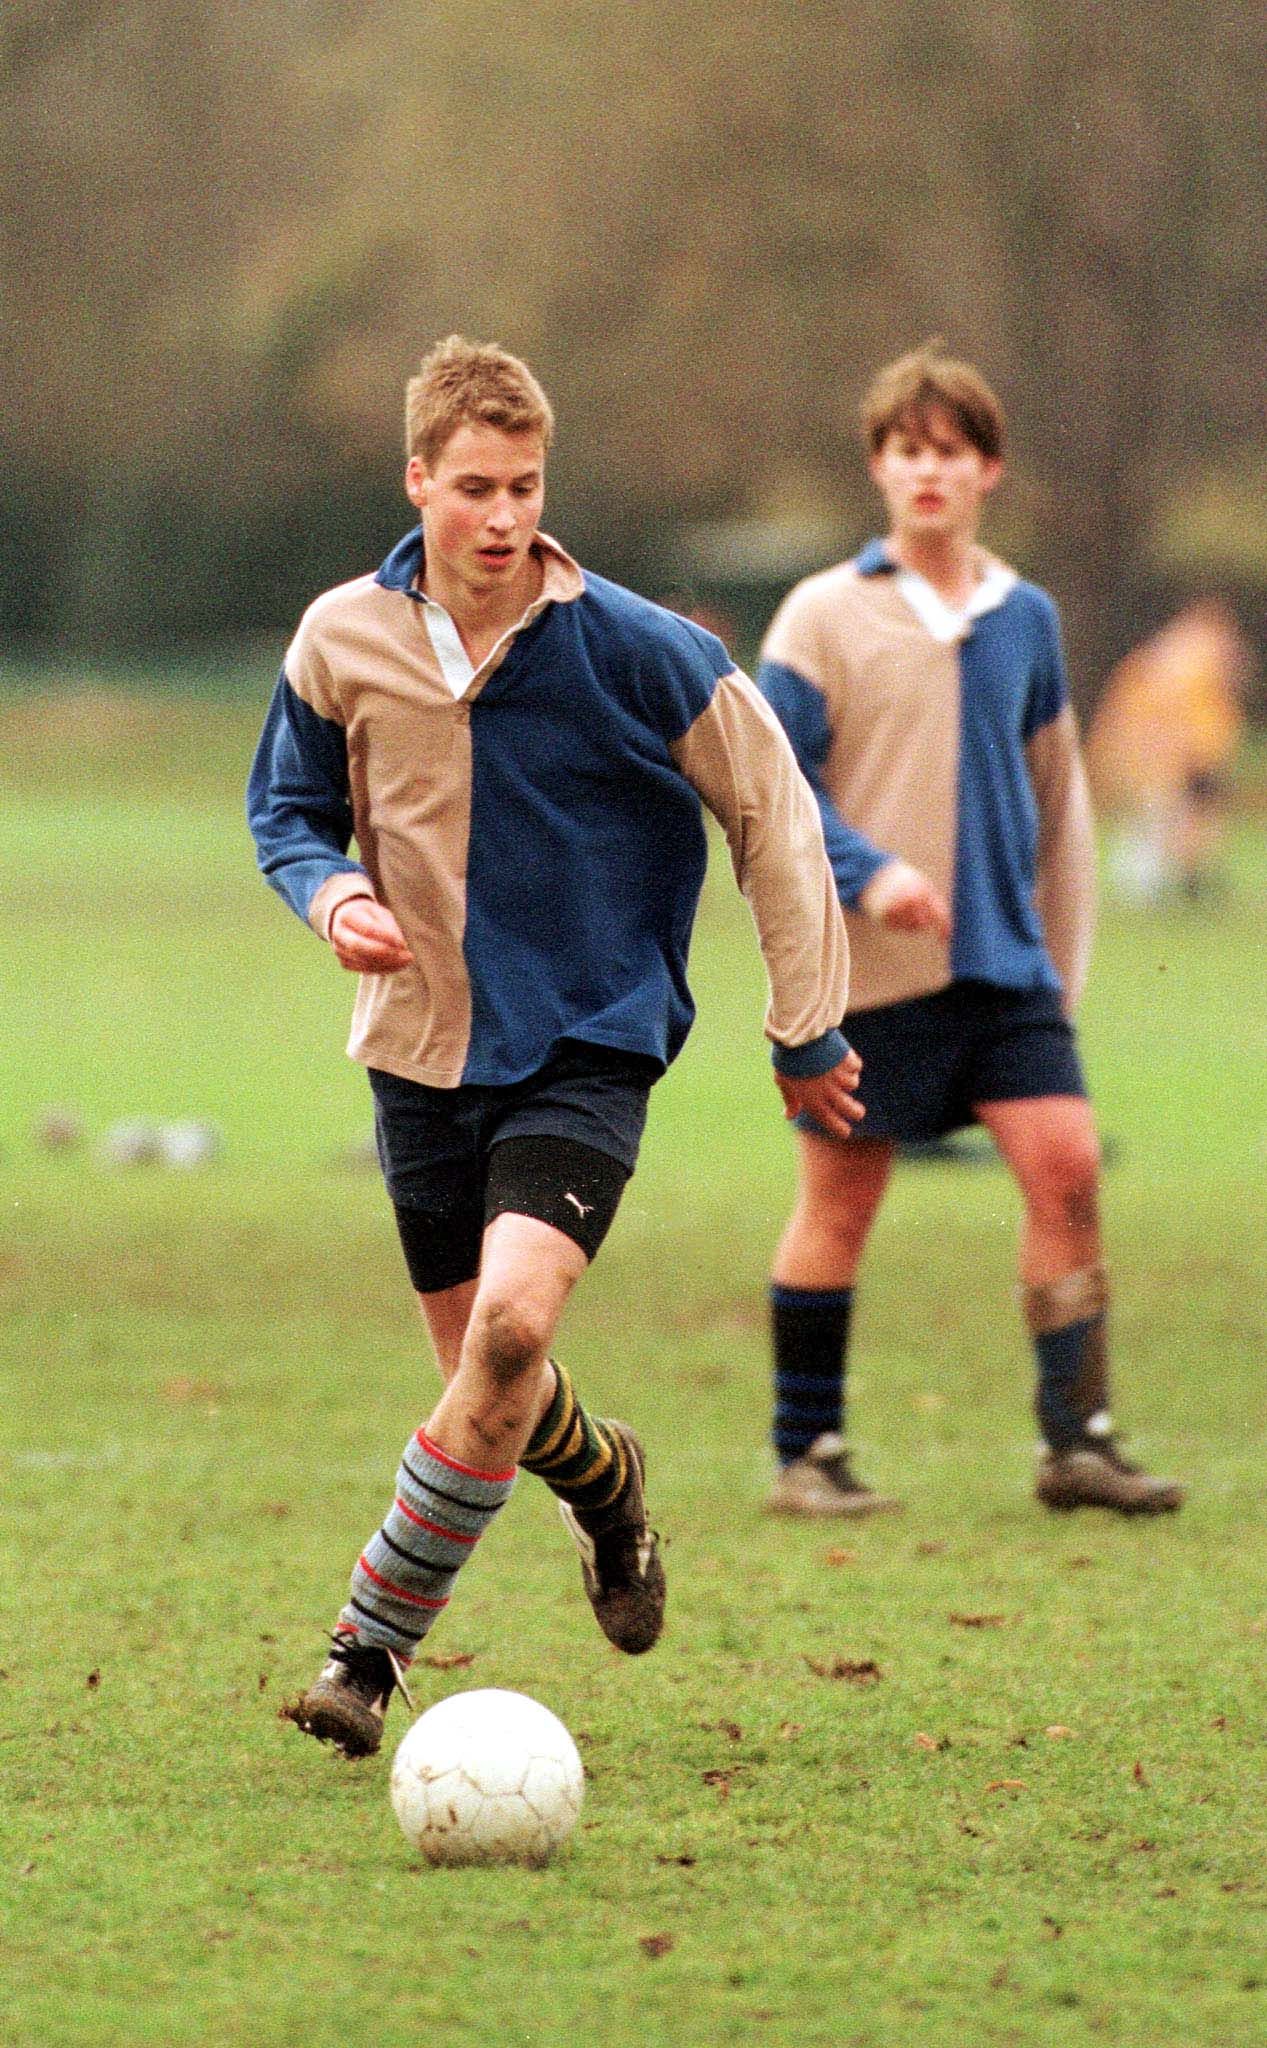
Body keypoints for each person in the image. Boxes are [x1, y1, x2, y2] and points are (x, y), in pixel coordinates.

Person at [247, 335, 862, 1757]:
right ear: (417, 481)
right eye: (474, 486)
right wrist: (329, 892)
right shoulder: (340, 636)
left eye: (524, 485)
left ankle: (363, 1654)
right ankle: (606, 1487)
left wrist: (802, 1022)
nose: (504, 515)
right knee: (489, 1382)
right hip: (416, 1055)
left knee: (512, 1334)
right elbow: (285, 809)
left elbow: (772, 814)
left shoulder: (644, 653)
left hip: (586, 1046)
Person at [755, 341, 1184, 1521]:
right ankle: (807, 1450)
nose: (924, 472)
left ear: (987, 469)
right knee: (840, 1204)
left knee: (1068, 1169)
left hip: (1004, 970)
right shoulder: (821, 615)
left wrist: (1060, 966)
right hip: (866, 977)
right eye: (903, 451)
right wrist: (869, 871)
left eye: (947, 451)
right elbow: (769, 791)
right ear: (879, 471)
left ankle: (1076, 1443)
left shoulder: (1025, 618)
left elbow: (1060, 804)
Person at [1085, 599, 1250, 906]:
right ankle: (1149, 884)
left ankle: (1176, 880)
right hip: (1179, 753)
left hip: (1197, 752)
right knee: (1163, 818)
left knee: (1184, 817)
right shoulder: (1177, 664)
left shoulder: (1174, 664)